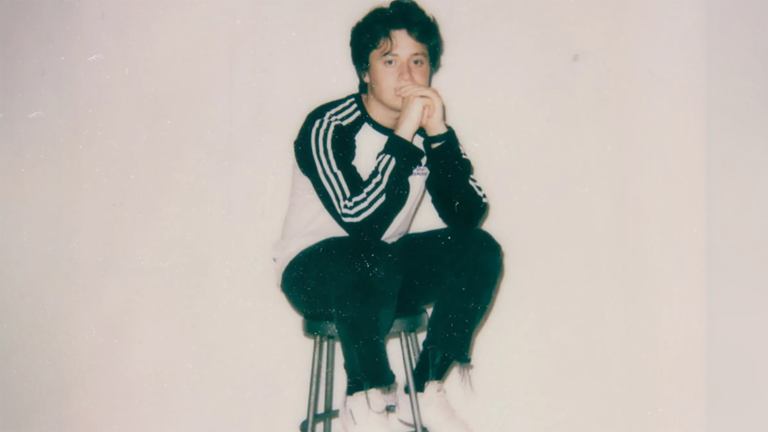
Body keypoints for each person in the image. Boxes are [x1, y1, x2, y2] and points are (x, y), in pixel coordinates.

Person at [273, 1, 503, 431]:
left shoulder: (425, 127)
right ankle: (367, 398)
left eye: (418, 61)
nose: (407, 76)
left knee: (479, 249)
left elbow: (469, 216)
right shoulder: (328, 126)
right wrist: (402, 136)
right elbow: (362, 222)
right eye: (390, 60)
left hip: (381, 272)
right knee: (368, 254)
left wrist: (439, 136)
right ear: (365, 71)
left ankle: (426, 388)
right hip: (313, 273)